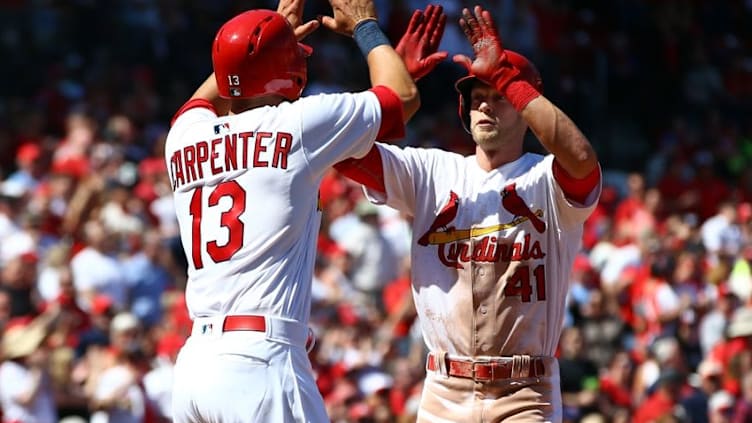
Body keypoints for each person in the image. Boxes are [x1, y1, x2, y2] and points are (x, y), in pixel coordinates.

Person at [164, 0, 428, 421]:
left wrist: (253, 52)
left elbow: (202, 100)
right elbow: (403, 97)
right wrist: (366, 27)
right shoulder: (296, 123)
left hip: (194, 364)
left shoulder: (182, 136)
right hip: (260, 358)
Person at [335, 5, 601, 421]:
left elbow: (582, 160)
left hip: (524, 392)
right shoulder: (432, 171)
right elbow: (343, 154)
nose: (485, 107)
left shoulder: (547, 178)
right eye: (478, 98)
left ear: (525, 107)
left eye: (500, 97)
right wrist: (389, 83)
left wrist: (512, 81)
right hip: (444, 388)